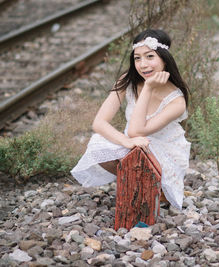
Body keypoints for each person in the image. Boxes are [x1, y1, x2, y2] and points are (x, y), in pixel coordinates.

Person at [71, 29, 191, 210]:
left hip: (166, 151)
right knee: (98, 145)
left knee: (142, 159)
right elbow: (99, 123)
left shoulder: (177, 101)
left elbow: (137, 130)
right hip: (134, 143)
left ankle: (151, 188)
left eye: (150, 56)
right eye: (137, 58)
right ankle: (137, 184)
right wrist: (126, 141)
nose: (143, 64)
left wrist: (149, 88)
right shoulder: (126, 81)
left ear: (164, 59)